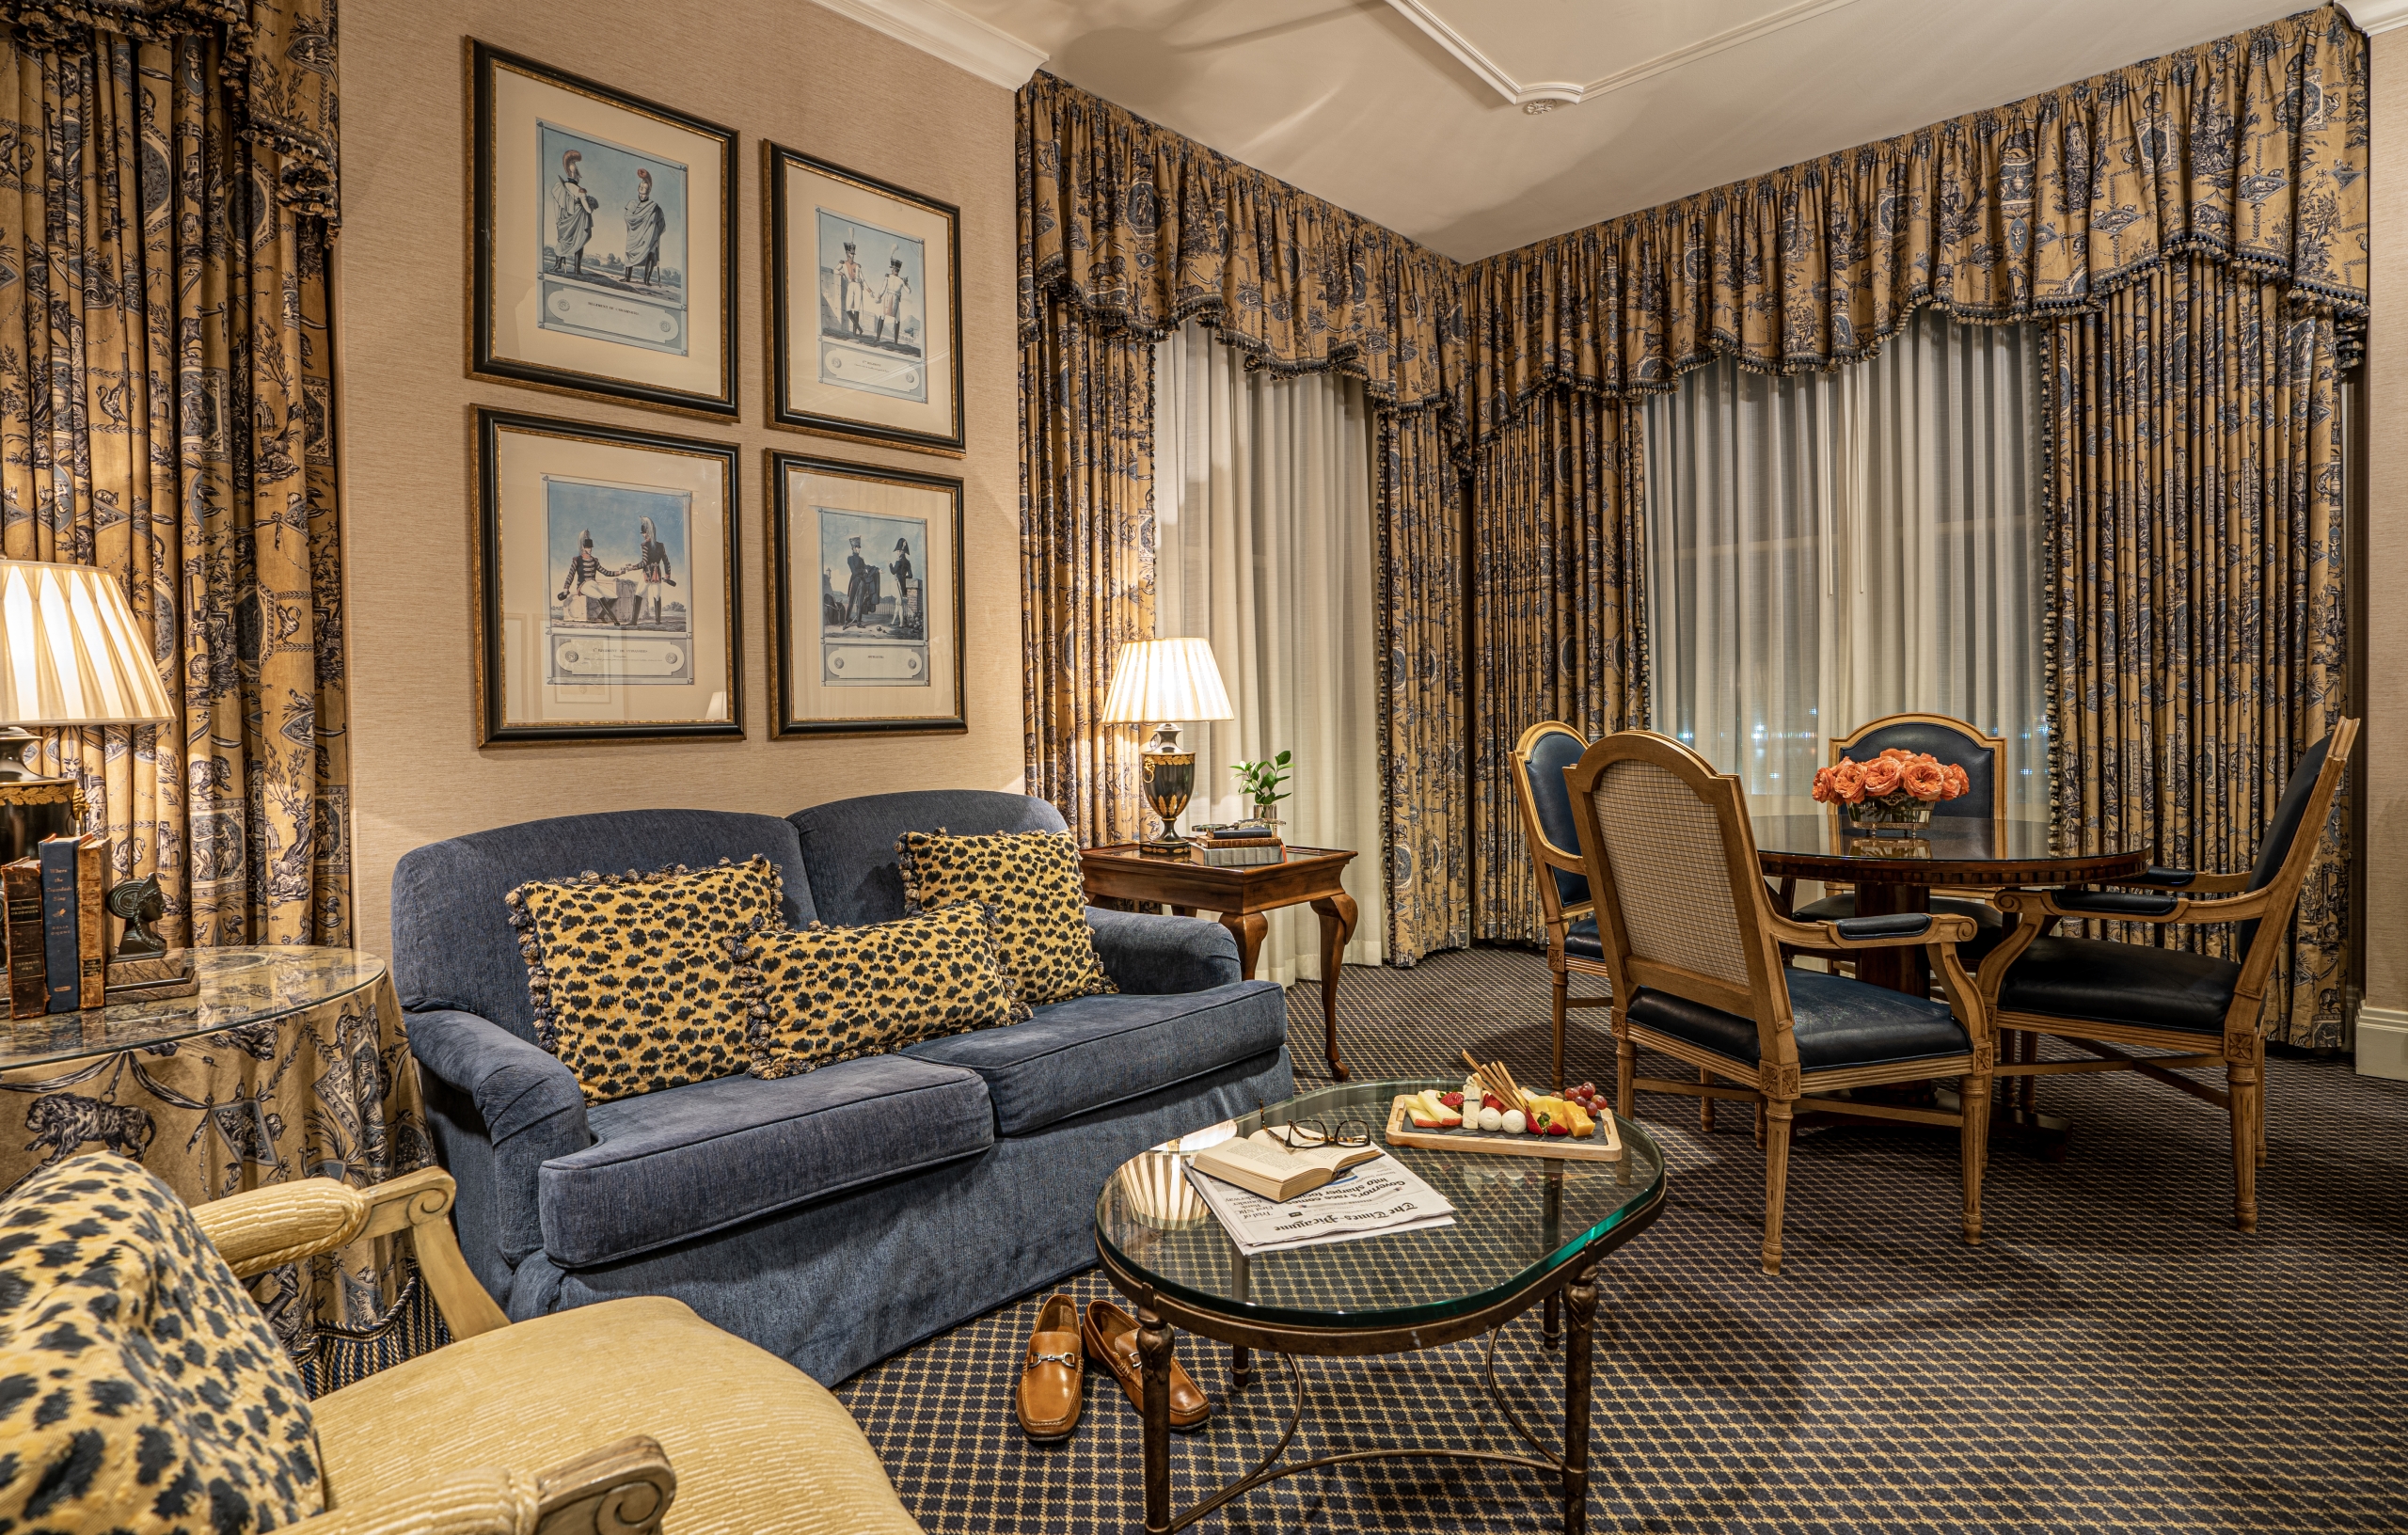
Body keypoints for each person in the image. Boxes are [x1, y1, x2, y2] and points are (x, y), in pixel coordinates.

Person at [552, 150, 599, 277]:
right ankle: (577, 270)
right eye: (577, 172)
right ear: (575, 173)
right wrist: (592, 204)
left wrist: (558, 221)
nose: (579, 175)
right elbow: (588, 210)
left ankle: (557, 265)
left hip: (565, 221)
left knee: (563, 241)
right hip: (578, 221)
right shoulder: (580, 190)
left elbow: (559, 207)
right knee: (579, 242)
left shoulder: (560, 187)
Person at [555, 530, 619, 623]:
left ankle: (601, 616)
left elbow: (605, 572)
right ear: (582, 547)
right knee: (600, 596)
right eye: (587, 547)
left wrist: (619, 572)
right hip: (583, 586)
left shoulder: (594, 560)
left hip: (594, 584)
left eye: (590, 548)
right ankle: (615, 621)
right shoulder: (577, 560)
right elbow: (571, 575)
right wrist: (566, 588)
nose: (590, 550)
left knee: (614, 596)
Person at [628, 516, 676, 625]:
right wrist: (667, 576)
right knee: (657, 596)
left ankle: (634, 621)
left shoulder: (644, 545)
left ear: (647, 533)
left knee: (638, 595)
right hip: (657, 574)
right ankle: (658, 622)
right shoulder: (661, 545)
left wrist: (633, 567)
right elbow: (666, 562)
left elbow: (644, 563)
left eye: (644, 533)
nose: (643, 535)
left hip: (647, 574)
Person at [625, 167, 667, 288]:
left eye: (645, 193)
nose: (642, 195)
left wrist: (655, 230)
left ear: (648, 193)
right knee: (629, 252)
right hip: (634, 236)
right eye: (641, 193)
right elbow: (628, 218)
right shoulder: (632, 204)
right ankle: (627, 277)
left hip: (649, 237)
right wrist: (637, 221)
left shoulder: (654, 207)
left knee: (650, 253)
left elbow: (661, 223)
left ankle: (646, 280)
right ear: (638, 190)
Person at [870, 253, 913, 348]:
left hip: (895, 300)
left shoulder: (900, 280)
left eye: (895, 269)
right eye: (894, 269)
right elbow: (883, 288)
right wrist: (879, 296)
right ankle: (878, 337)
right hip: (888, 298)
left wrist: (906, 283)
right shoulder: (889, 277)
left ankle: (895, 341)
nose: (894, 271)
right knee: (883, 316)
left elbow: (908, 291)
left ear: (895, 269)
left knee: (896, 320)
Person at [843, 536, 879, 627]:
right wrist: (863, 570)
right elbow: (854, 572)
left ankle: (858, 622)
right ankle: (846, 622)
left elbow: (866, 567)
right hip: (855, 580)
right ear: (854, 548)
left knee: (860, 603)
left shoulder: (861, 560)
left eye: (859, 548)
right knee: (851, 602)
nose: (859, 549)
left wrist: (876, 570)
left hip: (862, 582)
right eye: (858, 548)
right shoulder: (850, 559)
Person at [834, 240, 865, 337]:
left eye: (852, 255)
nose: (851, 257)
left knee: (856, 309)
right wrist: (840, 273)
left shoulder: (857, 265)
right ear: (847, 254)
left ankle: (855, 332)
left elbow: (862, 279)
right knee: (848, 309)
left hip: (857, 286)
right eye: (849, 255)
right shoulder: (842, 263)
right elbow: (835, 270)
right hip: (850, 286)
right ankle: (859, 328)